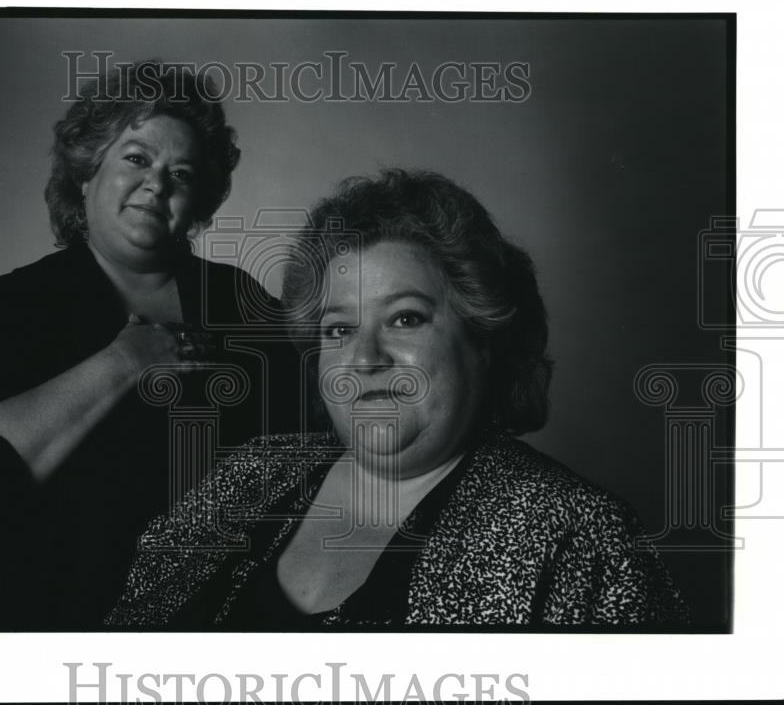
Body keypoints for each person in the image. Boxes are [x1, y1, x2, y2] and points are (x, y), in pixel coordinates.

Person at [106, 168, 689, 628]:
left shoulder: (579, 535)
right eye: (338, 330)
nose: (364, 361)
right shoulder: (250, 473)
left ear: (483, 339)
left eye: (405, 318)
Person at [0, 61, 296, 629]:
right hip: (45, 629)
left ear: (201, 199)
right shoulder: (11, 305)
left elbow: (314, 447)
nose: (158, 184)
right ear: (87, 173)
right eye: (136, 158)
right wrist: (126, 360)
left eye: (182, 173)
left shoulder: (241, 300)